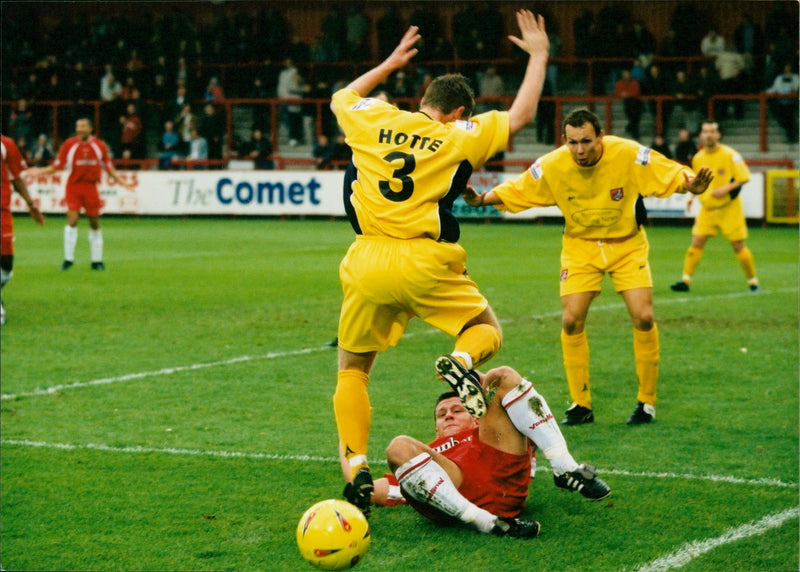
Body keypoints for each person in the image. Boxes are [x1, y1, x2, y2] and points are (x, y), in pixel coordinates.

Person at [329, 11, 550, 515]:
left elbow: (341, 96)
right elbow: (520, 115)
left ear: (423, 102)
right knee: (486, 328)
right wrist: (537, 56)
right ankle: (463, 361)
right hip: (424, 257)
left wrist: (387, 63)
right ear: (457, 112)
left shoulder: (374, 117)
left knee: (353, 371)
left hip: (364, 259)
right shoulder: (458, 136)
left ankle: (356, 465)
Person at [463, 108, 713, 427]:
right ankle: (581, 404)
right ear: (564, 140)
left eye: (586, 142)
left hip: (626, 244)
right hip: (580, 247)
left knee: (644, 316)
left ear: (600, 136)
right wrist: (482, 199)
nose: (580, 150)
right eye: (572, 142)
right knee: (570, 320)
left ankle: (646, 403)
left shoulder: (627, 153)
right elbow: (522, 187)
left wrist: (690, 184)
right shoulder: (554, 164)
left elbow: (667, 171)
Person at [343, 364, 610, 536]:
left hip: (498, 469)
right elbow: (367, 488)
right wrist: (351, 431)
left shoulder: (489, 427)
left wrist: (468, 375)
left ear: (475, 415)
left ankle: (564, 466)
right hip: (455, 490)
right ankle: (487, 522)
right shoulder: (425, 459)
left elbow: (498, 396)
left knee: (501, 376)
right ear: (435, 427)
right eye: (441, 414)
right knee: (399, 445)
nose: (448, 416)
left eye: (457, 410)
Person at [26, 118, 132, 271]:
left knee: (94, 223)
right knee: (72, 219)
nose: (79, 129)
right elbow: (57, 165)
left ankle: (97, 261)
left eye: (82, 126)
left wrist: (123, 183)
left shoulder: (99, 146)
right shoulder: (69, 145)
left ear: (90, 128)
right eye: (77, 126)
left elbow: (108, 168)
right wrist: (39, 172)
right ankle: (68, 259)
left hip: (91, 187)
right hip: (74, 187)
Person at [670, 120, 758, 293]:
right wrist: (691, 197)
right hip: (707, 208)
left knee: (738, 245)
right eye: (705, 131)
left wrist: (725, 189)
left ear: (718, 135)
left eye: (712, 131)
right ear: (701, 135)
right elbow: (697, 182)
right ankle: (685, 281)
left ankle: (753, 282)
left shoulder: (730, 155)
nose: (709, 134)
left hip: (728, 207)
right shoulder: (698, 157)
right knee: (697, 241)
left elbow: (745, 177)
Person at [1, 134, 45, 325]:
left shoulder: (6, 144)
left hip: (1, 210)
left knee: (6, 266)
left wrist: (31, 204)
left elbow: (16, 177)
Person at [765, 63, 799, 143]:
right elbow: (774, 88)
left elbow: (796, 87)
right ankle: (791, 135)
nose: (787, 69)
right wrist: (766, 92)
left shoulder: (796, 77)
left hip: (792, 102)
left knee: (790, 120)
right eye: (786, 67)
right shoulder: (779, 78)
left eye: (789, 67)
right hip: (782, 102)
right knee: (783, 120)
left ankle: (792, 138)